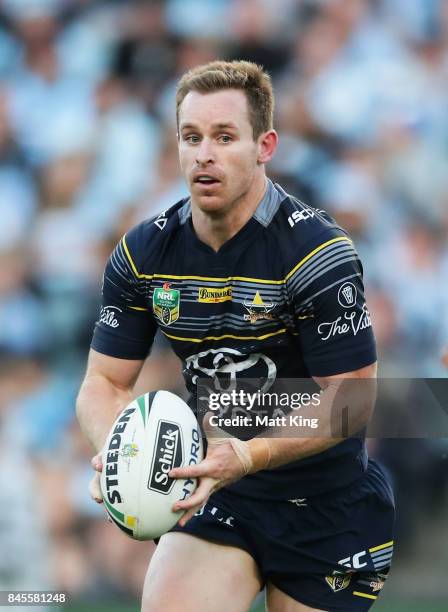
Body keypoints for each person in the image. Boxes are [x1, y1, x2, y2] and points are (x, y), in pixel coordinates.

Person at [76, 60, 395, 612]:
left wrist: (249, 455)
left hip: (327, 504)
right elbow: (104, 381)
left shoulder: (317, 254)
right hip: (222, 492)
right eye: (191, 137)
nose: (205, 153)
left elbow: (353, 396)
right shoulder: (142, 256)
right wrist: (118, 451)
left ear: (264, 146)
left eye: (225, 137)